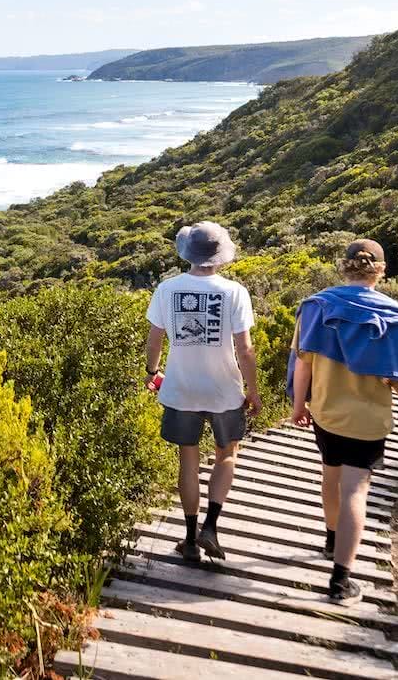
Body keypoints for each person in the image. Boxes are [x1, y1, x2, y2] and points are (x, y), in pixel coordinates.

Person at [289, 238, 398, 605]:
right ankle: (341, 582)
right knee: (355, 489)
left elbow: (302, 363)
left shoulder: (316, 306)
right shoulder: (395, 316)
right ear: (381, 270)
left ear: (344, 266)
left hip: (326, 411)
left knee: (330, 475)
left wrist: (297, 406)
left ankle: (331, 539)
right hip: (367, 420)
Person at [145, 221, 260, 563]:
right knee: (226, 455)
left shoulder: (167, 289)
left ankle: (191, 539)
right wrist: (252, 390)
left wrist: (152, 373)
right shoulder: (235, 292)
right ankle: (211, 526)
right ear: (220, 256)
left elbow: (155, 339)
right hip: (224, 390)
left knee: (188, 463)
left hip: (182, 389)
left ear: (188, 255)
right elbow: (245, 349)